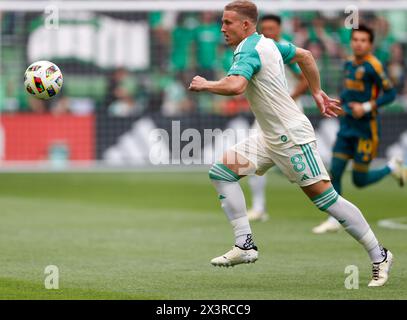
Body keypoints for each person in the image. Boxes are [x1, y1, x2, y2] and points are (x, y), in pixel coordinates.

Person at [188, 0, 392, 287]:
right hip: (270, 137)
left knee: (327, 201)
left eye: (227, 22)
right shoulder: (269, 43)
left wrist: (205, 84)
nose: (222, 28)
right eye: (222, 22)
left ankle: (380, 254)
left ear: (246, 24)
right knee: (221, 172)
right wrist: (317, 91)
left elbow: (236, 86)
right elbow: (306, 56)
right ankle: (245, 244)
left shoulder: (248, 49)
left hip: (291, 138)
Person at [312, 25, 404, 234]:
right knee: (335, 170)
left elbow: (390, 94)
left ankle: (391, 167)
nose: (359, 43)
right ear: (351, 42)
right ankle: (334, 219)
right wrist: (340, 104)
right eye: (355, 39)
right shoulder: (348, 64)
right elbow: (346, 91)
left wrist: (366, 106)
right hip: (346, 127)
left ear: (370, 44)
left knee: (359, 180)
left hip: (366, 129)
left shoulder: (374, 66)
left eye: (363, 40)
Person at [247, 14, 308, 222]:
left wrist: (287, 100)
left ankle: (333, 208)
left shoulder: (283, 51)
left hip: (287, 115)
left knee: (307, 166)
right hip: (267, 115)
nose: (268, 33)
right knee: (250, 158)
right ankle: (258, 207)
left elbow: (305, 80)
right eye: (265, 29)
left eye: (272, 29)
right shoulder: (261, 49)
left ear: (280, 29)